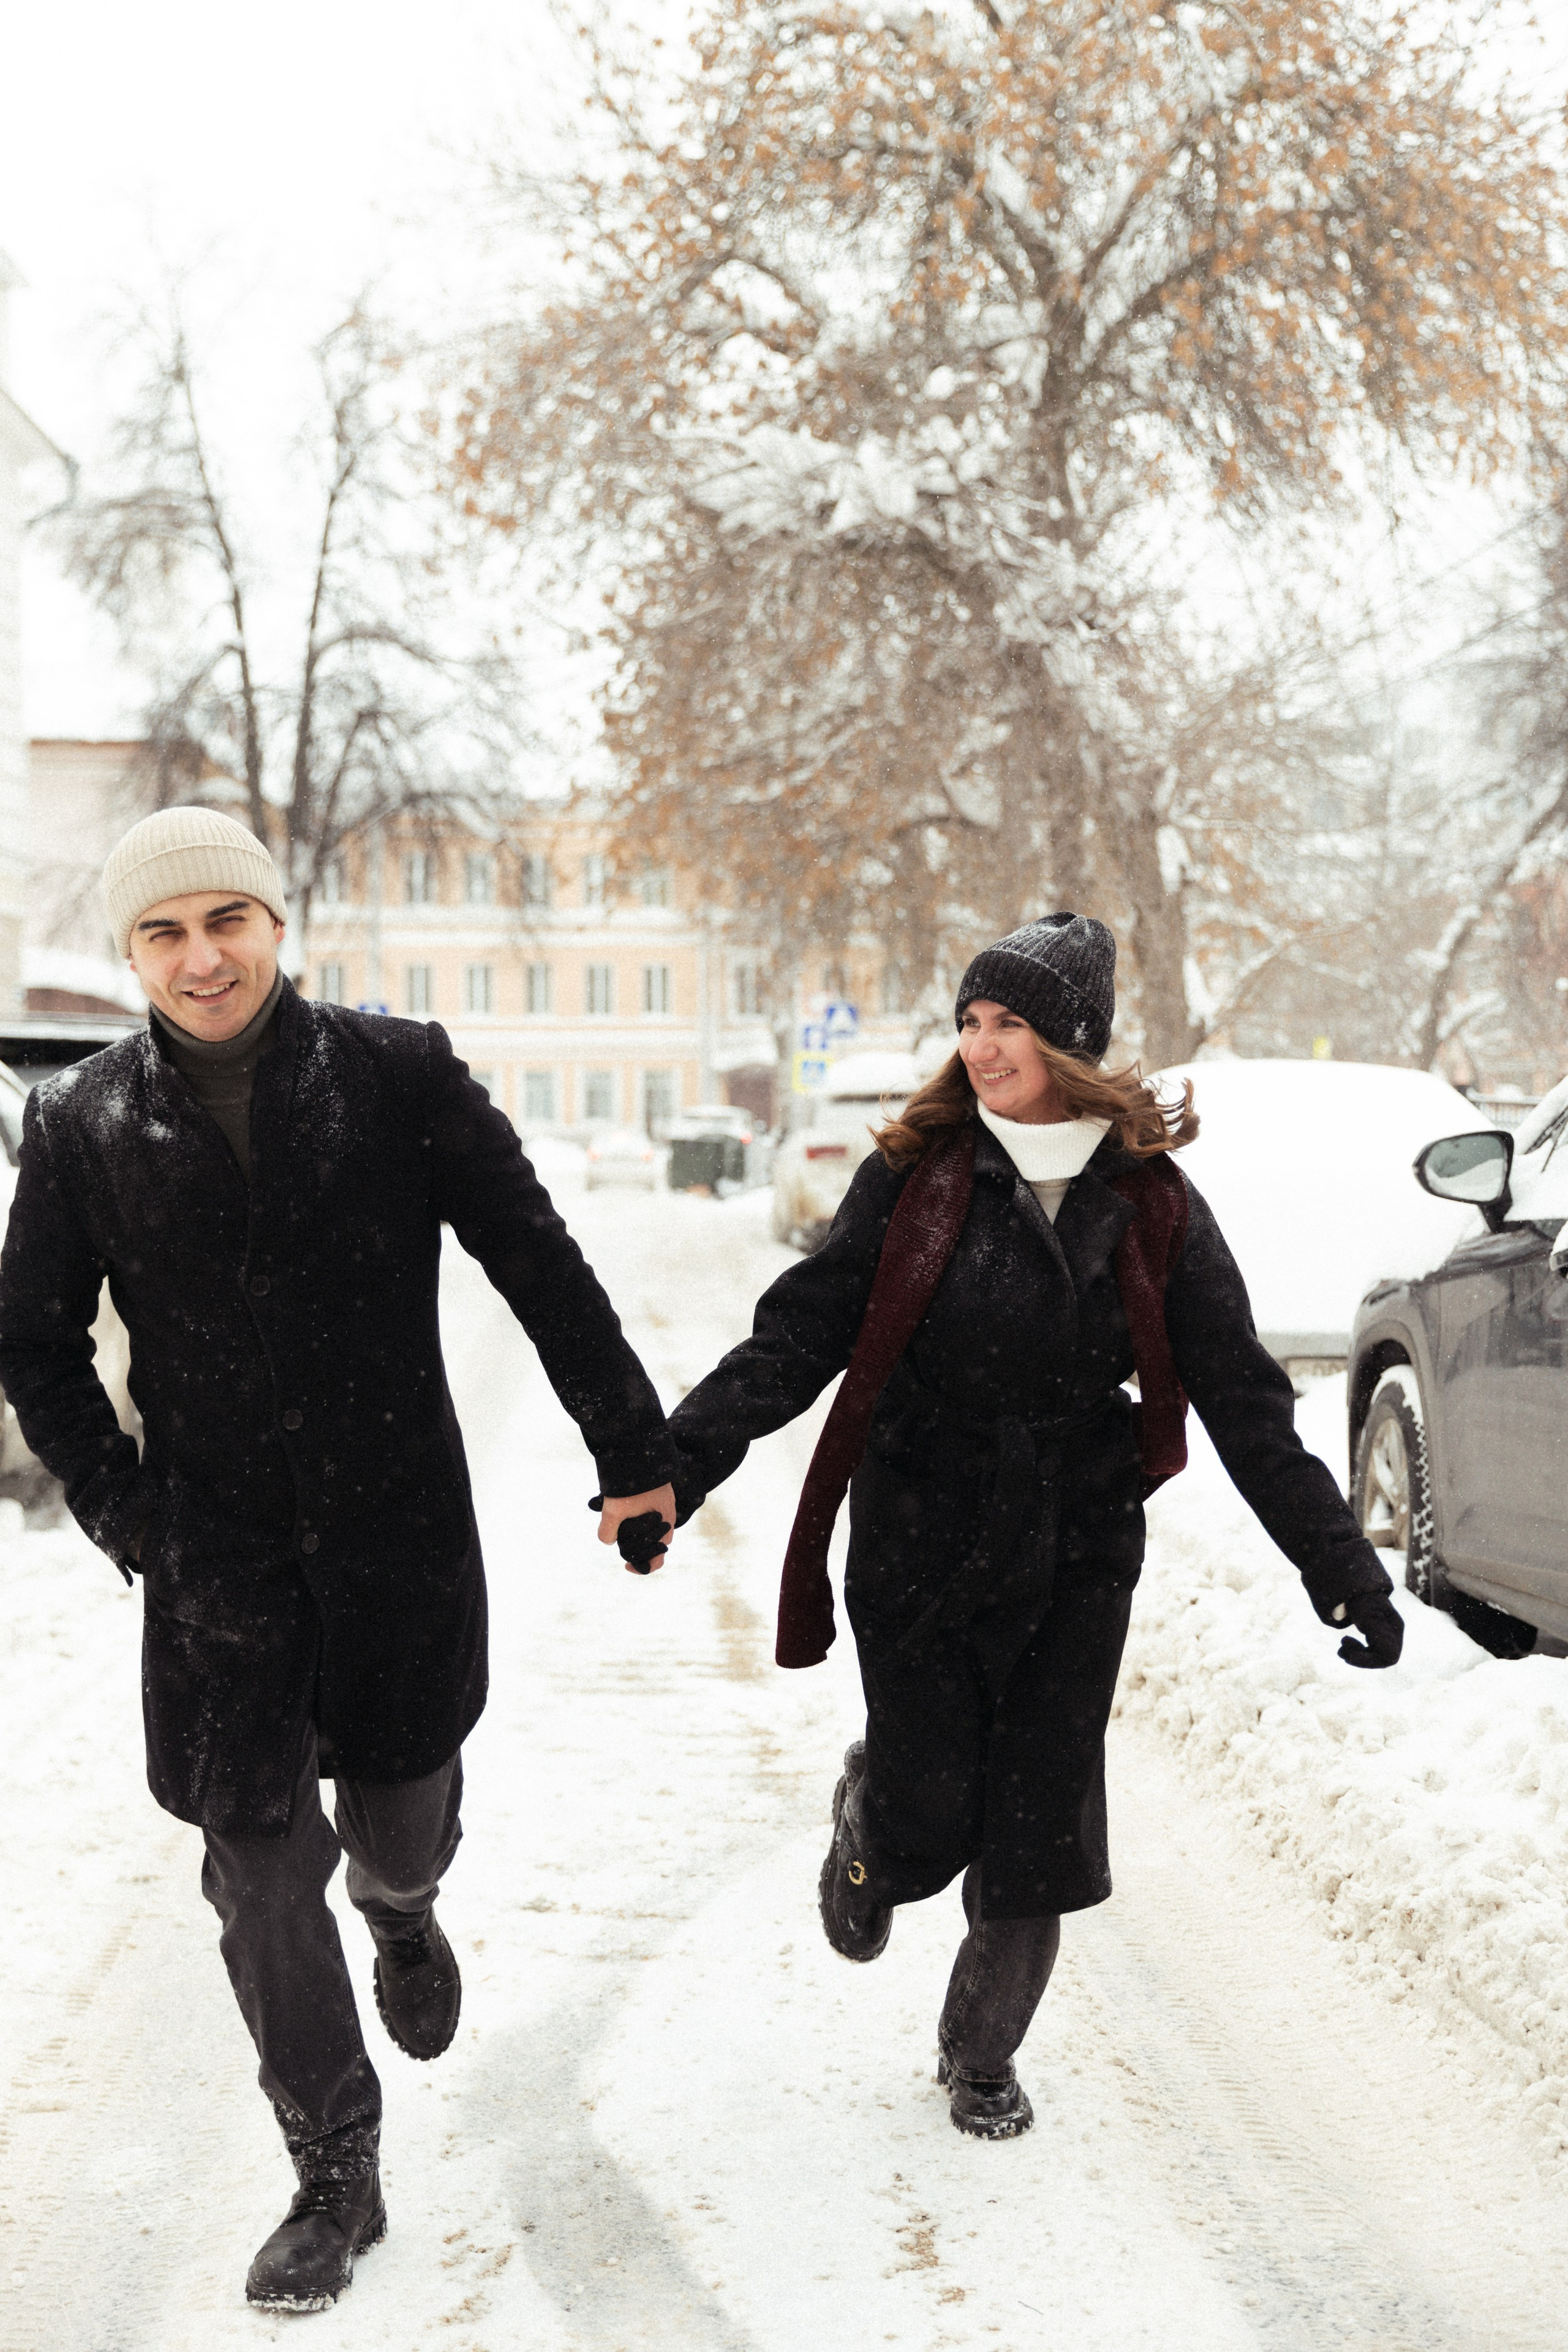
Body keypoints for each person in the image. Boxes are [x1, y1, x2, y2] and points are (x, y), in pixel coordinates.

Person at [0, 807, 677, 2312]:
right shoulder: (83, 1123)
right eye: (163, 934)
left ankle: (406, 1905)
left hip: (393, 1545)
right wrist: (129, 1517)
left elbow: (538, 1260)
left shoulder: (392, 1076)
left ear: (274, 924)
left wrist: (631, 1456)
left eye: (223, 921)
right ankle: (333, 2166)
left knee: (401, 1822)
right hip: (215, 1568)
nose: (200, 957)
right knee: (251, 1875)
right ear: (132, 954)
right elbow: (33, 1346)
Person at [667, 912, 1403, 2141]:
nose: (980, 1046)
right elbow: (801, 1332)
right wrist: (678, 1464)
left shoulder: (1149, 1201)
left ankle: (980, 2054)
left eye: (1006, 1021)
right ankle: (871, 1830)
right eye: (968, 1022)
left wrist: (1341, 1570)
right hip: (916, 1531)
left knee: (1038, 1820)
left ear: (1068, 1042)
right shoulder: (915, 1179)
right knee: (928, 1811)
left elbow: (1238, 1393)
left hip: (1074, 1539)